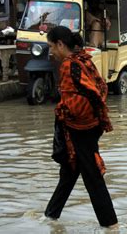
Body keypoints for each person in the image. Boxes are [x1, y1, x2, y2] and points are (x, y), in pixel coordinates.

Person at [44, 26, 118, 229]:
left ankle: (111, 226)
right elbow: (101, 88)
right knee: (69, 171)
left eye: (51, 46)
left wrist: (64, 114)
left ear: (60, 44)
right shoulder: (84, 60)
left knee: (92, 176)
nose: (50, 51)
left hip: (80, 129)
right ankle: (50, 217)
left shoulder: (69, 65)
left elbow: (74, 101)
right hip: (92, 125)